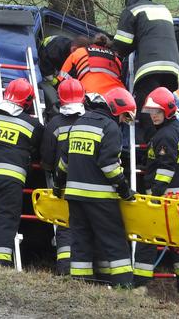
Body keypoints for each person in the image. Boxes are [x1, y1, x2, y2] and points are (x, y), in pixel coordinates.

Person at [55, 87, 137, 287]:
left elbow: (63, 162)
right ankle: (123, 285)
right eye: (125, 117)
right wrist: (125, 191)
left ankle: (81, 284)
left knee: (81, 241)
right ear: (117, 110)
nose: (124, 121)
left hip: (74, 197)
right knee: (114, 241)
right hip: (100, 198)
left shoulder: (79, 123)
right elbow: (109, 165)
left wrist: (58, 186)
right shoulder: (110, 128)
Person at [132, 87, 179, 293]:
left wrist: (155, 197)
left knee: (147, 239)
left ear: (168, 111)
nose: (153, 115)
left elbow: (165, 170)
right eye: (151, 111)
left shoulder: (165, 136)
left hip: (165, 195)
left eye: (157, 112)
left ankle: (139, 285)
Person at [0, 78, 43, 267]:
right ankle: (1, 262)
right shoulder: (32, 124)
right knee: (5, 218)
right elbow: (38, 148)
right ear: (28, 101)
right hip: (10, 179)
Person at [40, 79, 86, 275]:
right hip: (89, 183)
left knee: (64, 226)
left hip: (63, 182)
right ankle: (85, 271)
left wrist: (49, 169)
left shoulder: (55, 124)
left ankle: (65, 270)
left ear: (60, 99)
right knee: (85, 226)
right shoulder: (90, 120)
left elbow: (47, 156)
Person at [112, 0, 179, 108]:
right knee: (163, 110)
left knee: (147, 109)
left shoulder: (131, 10)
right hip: (173, 70)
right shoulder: (163, 9)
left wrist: (111, 47)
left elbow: (122, 45)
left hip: (150, 68)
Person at [58, 34, 125, 96]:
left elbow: (62, 81)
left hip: (90, 95)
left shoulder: (79, 52)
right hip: (118, 96)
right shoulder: (116, 58)